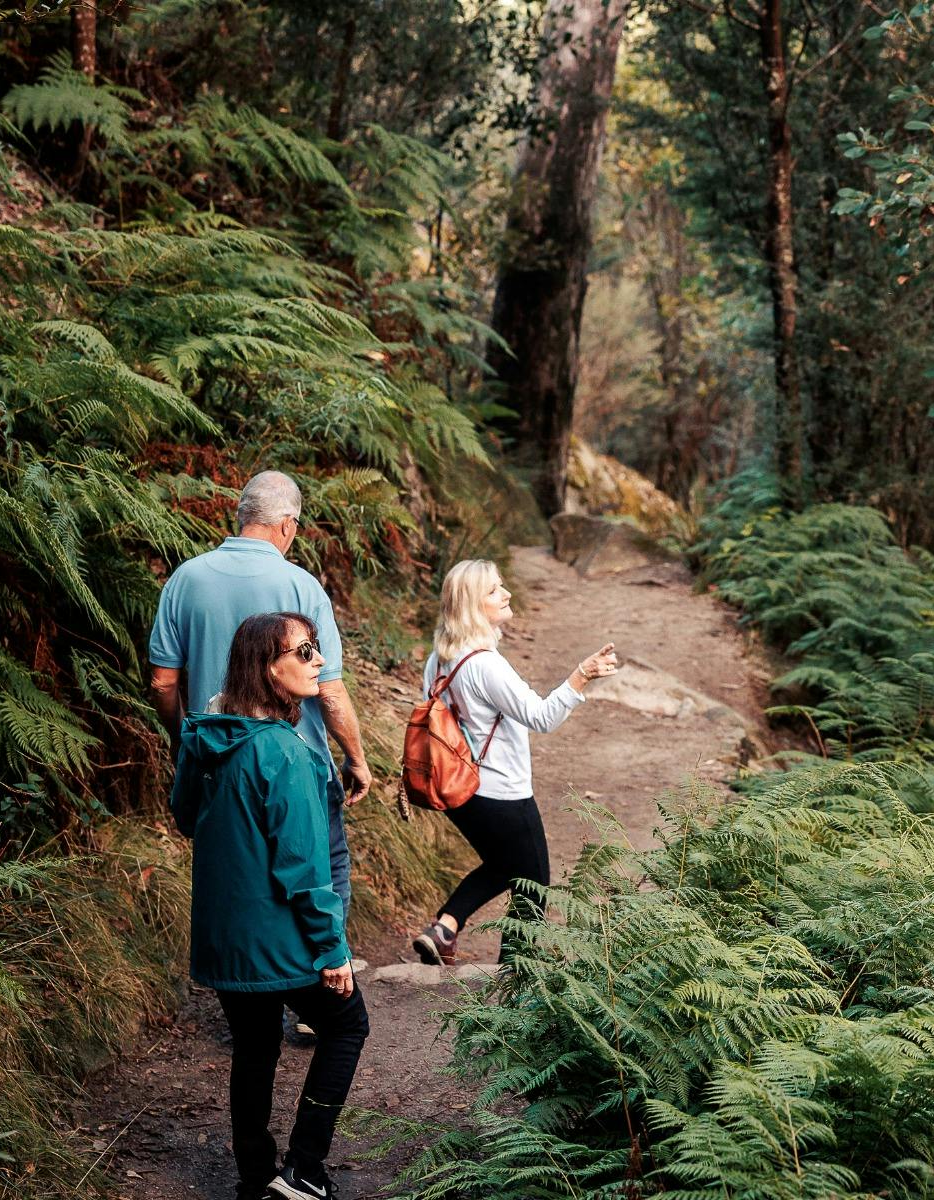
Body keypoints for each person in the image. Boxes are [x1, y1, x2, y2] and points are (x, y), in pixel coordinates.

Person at [149, 470, 372, 1028]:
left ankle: (256, 1009)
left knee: (239, 874)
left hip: (217, 762)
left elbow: (161, 681)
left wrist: (190, 739)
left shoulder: (185, 579)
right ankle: (318, 990)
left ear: (240, 514)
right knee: (323, 866)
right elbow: (331, 687)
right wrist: (356, 758)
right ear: (288, 525)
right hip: (294, 761)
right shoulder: (301, 587)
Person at [170, 612, 369, 1200]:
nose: (317, 661)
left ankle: (256, 1177)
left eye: (314, 649)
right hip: (276, 934)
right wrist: (332, 950)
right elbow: (306, 871)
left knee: (255, 1045)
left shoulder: (205, 735)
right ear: (268, 668)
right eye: (303, 652)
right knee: (348, 1025)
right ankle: (305, 1172)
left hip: (223, 932)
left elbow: (186, 817)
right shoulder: (285, 754)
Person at [412, 558, 618, 965]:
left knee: (504, 865)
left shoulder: (438, 661)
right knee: (533, 884)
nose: (506, 593)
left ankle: (446, 927)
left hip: (455, 788)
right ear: (473, 606)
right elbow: (541, 717)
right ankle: (518, 981)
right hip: (501, 792)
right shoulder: (486, 666)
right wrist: (581, 676)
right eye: (493, 590)